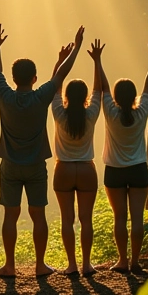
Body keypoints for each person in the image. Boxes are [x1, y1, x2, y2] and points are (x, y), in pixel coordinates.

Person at [0, 24, 85, 278]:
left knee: (10, 214)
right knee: (38, 214)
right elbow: (61, 76)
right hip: (35, 166)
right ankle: (40, 265)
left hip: (9, 164)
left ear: (13, 79)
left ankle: (9, 266)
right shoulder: (41, 96)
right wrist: (74, 48)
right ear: (34, 78)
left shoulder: (4, 96)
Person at [97, 35, 148, 273]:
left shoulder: (110, 112)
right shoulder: (142, 111)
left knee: (119, 218)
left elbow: (103, 87)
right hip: (138, 169)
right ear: (133, 95)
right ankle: (135, 261)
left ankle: (122, 261)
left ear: (116, 97)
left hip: (114, 171)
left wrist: (97, 61)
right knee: (137, 218)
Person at [50, 38, 104, 276]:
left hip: (63, 170)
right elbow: (98, 90)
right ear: (84, 97)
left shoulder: (59, 113)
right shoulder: (91, 114)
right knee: (86, 219)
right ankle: (86, 265)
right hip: (86, 170)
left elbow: (55, 85)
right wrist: (97, 61)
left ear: (67, 96)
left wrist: (60, 61)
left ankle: (71, 265)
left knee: (67, 219)